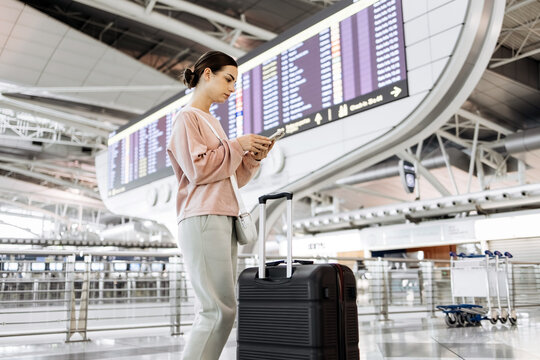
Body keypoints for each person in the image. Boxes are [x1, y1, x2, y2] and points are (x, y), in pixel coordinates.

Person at [166, 51, 273, 360]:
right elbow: (199, 169)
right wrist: (237, 145)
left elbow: (228, 176)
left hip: (220, 216)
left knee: (223, 310)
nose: (231, 88)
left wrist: (250, 157)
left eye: (235, 82)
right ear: (208, 74)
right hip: (203, 216)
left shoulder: (211, 121)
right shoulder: (188, 117)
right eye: (228, 79)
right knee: (217, 311)